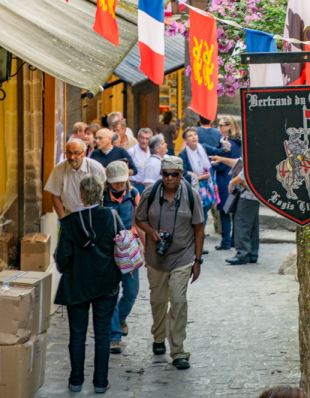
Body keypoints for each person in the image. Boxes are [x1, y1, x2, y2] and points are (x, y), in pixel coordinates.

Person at [54, 174, 123, 394]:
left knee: (77, 334)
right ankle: (101, 383)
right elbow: (121, 247)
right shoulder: (111, 216)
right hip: (106, 283)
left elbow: (62, 259)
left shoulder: (69, 222)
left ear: (81, 195)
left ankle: (76, 381)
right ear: (102, 193)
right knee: (102, 334)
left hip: (77, 284)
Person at [135, 155, 204, 370]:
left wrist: (198, 261)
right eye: (166, 174)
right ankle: (158, 336)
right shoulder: (150, 193)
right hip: (156, 257)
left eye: (175, 174)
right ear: (161, 174)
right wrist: (152, 233)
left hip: (182, 256)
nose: (170, 178)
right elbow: (139, 219)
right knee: (158, 300)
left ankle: (178, 351)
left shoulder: (191, 196)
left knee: (178, 300)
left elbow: (199, 228)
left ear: (181, 174)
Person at [102, 161, 139, 354]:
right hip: (107, 250)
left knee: (132, 291)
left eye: (121, 182)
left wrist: (141, 242)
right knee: (110, 293)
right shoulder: (101, 197)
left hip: (129, 249)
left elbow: (140, 219)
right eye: (114, 182)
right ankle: (114, 335)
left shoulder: (133, 194)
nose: (118, 185)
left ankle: (121, 316)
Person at [45, 138, 106, 218]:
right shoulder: (59, 169)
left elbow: (102, 194)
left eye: (76, 153)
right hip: (70, 214)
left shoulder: (96, 168)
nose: (72, 157)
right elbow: (55, 195)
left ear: (84, 154)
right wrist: (63, 219)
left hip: (92, 215)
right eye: (69, 153)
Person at [179, 127, 219, 228]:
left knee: (204, 211)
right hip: (194, 189)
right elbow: (183, 175)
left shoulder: (203, 148)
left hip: (207, 186)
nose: (193, 137)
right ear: (185, 140)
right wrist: (199, 177)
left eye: (195, 135)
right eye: (190, 136)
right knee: (197, 213)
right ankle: (196, 233)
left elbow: (219, 152)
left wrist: (226, 147)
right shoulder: (183, 154)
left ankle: (200, 232)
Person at [213, 115, 242, 251]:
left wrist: (212, 164)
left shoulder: (227, 143)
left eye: (221, 125)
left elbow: (222, 165)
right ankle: (234, 240)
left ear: (228, 127)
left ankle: (225, 241)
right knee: (234, 211)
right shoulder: (238, 142)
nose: (219, 127)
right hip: (237, 179)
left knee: (224, 211)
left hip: (225, 179)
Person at [226, 158, 260, 265]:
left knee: (242, 224)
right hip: (254, 194)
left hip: (247, 194)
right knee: (253, 226)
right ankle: (252, 254)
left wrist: (232, 182)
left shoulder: (254, 151)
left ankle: (242, 254)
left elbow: (245, 173)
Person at [128, 128, 153, 194]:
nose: (144, 141)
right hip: (135, 185)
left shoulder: (152, 151)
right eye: (142, 138)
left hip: (148, 186)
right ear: (138, 138)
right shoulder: (132, 151)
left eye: (147, 139)